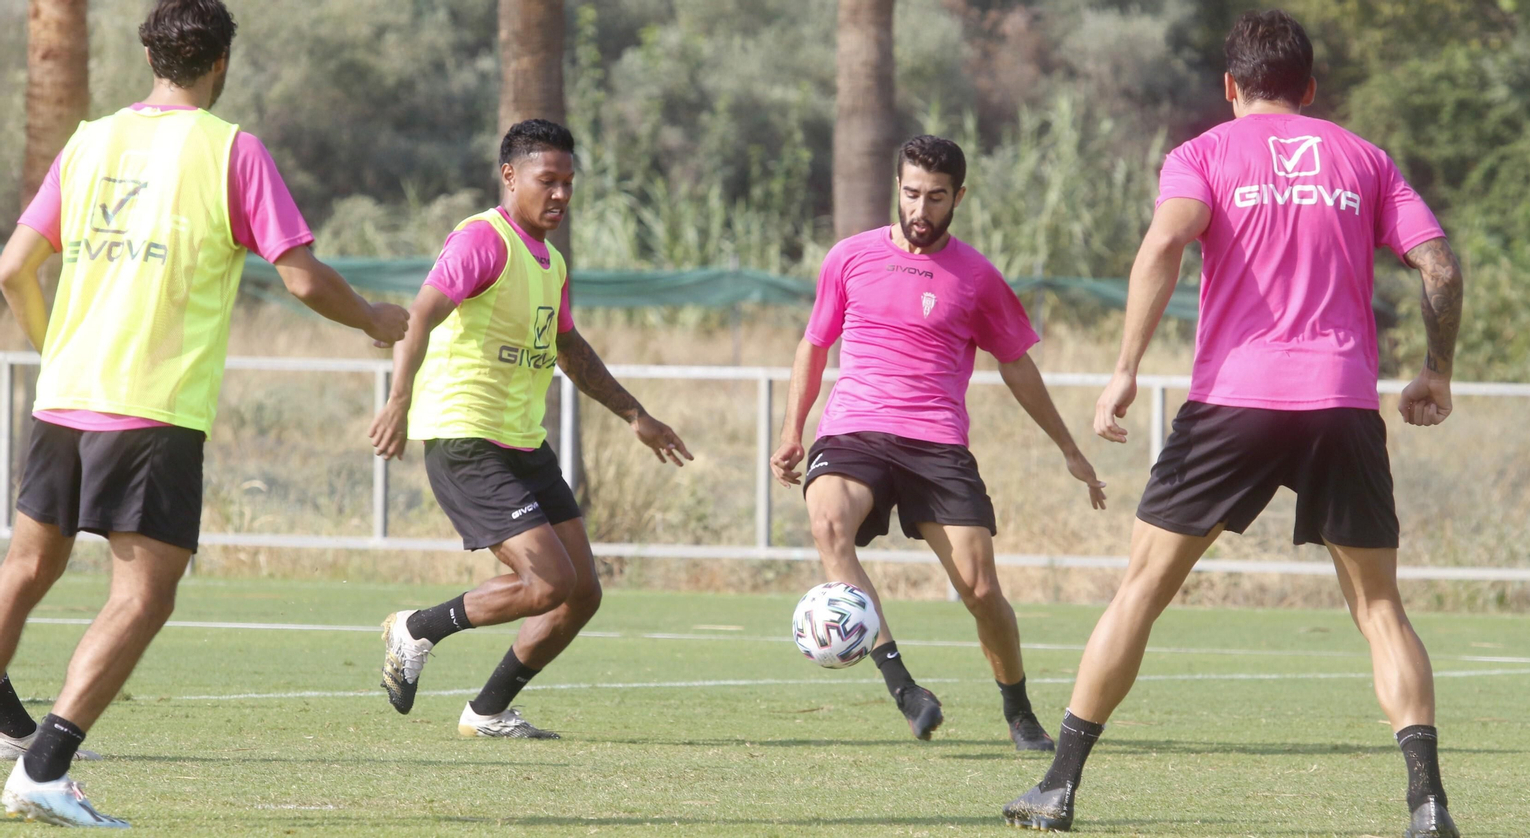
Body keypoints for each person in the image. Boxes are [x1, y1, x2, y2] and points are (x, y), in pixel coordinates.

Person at [1002, 11, 1464, 837]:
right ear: (1310, 89)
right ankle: (1427, 804)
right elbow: (1438, 263)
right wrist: (1437, 370)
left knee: (1141, 592)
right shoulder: (1365, 159)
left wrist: (1124, 372)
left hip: (1234, 401)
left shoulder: (1203, 153)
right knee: (1380, 611)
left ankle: (1059, 787)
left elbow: (1164, 246)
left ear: (1229, 86)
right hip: (1341, 402)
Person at [0, 0, 409, 826]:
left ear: (150, 57)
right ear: (220, 63)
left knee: (24, 570)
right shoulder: (232, 149)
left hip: (63, 401)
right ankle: (42, 769)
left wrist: (60, 355)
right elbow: (299, 277)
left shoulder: (89, 141)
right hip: (151, 410)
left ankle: (35, 761)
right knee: (144, 594)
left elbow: (14, 270)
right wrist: (372, 319)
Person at [770, 135, 1107, 750]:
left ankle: (1019, 710)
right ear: (897, 189)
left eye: (936, 198)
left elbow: (1017, 364)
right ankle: (904, 688)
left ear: (959, 198)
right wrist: (794, 429)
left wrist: (1069, 448)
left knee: (981, 590)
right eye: (911, 194)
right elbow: (814, 345)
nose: (920, 210)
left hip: (935, 441)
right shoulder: (848, 257)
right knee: (828, 527)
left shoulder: (977, 276)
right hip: (854, 428)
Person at [369, 118, 691, 739]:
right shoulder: (481, 241)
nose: (562, 194)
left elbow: (570, 350)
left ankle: (486, 712)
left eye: (570, 183)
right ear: (510, 176)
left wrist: (637, 416)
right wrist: (399, 399)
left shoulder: (552, 263)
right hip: (466, 437)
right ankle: (416, 629)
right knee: (548, 582)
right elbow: (420, 317)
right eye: (549, 180)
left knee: (582, 593)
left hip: (522, 443)